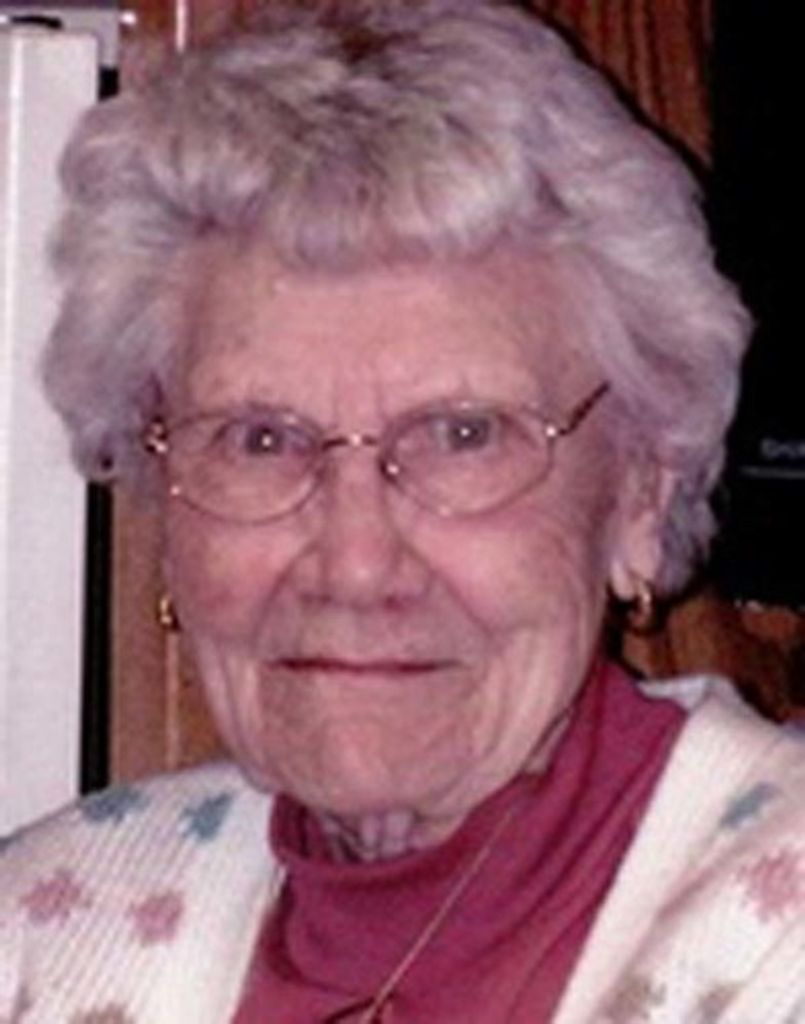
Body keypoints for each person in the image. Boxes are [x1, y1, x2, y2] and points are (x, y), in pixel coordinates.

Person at [2, 1, 804, 1021]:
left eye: (462, 435)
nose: (354, 563)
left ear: (640, 490)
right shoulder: (42, 930)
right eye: (260, 439)